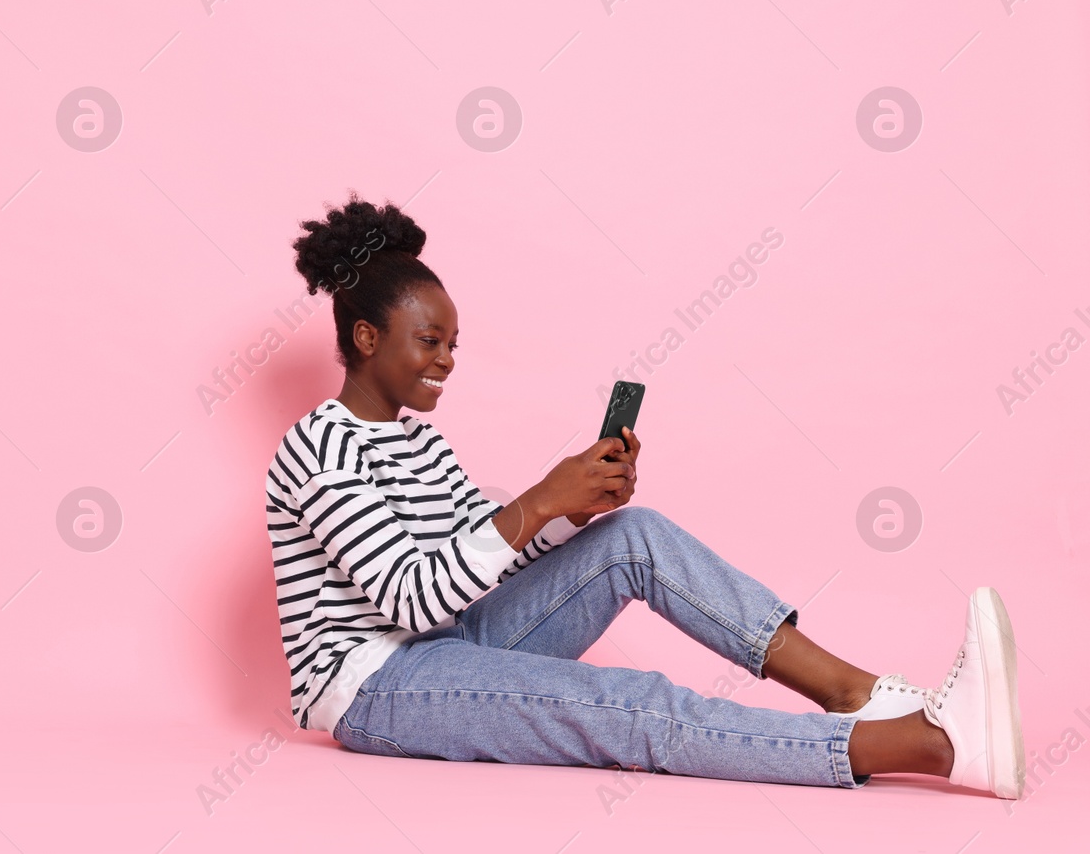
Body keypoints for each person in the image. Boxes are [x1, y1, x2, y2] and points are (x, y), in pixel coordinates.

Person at [264, 194, 1024, 797]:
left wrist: (572, 510)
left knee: (636, 533)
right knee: (630, 704)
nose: (447, 360)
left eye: (453, 343)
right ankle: (930, 742)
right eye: (429, 341)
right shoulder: (318, 448)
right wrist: (537, 497)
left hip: (456, 642)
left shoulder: (418, 440)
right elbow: (410, 599)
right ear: (367, 338)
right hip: (379, 686)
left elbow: (483, 554)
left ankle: (860, 692)